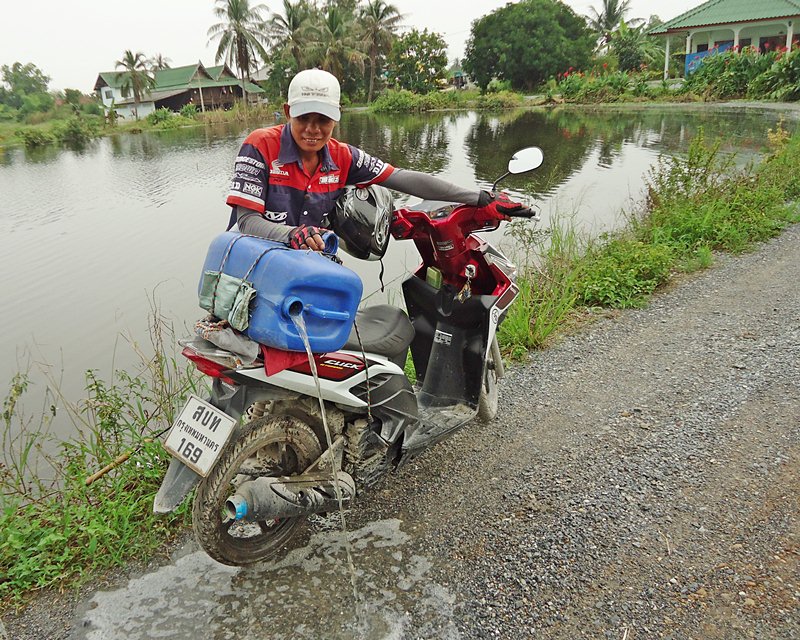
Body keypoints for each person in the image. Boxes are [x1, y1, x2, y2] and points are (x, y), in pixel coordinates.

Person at [225, 68, 522, 251]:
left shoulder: (343, 156)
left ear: (337, 117)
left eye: (324, 119)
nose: (313, 129)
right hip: (257, 260)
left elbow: (404, 178)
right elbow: (248, 222)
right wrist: (295, 235)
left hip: (310, 258)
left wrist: (480, 197)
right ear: (288, 112)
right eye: (304, 118)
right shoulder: (260, 145)